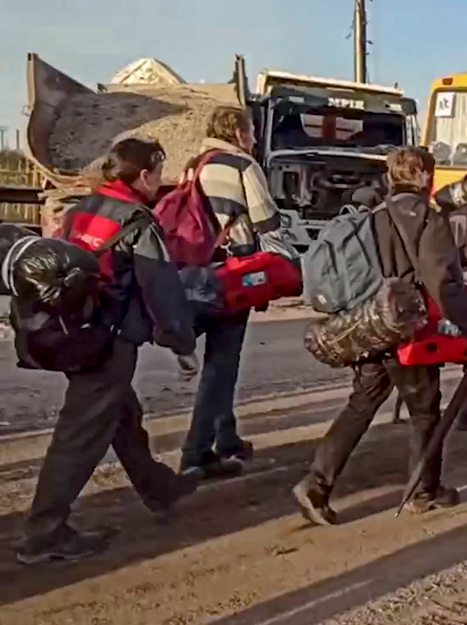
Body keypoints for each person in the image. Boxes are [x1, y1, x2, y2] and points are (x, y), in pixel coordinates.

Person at [18, 139, 199, 564]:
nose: (160, 181)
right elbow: (161, 289)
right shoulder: (137, 221)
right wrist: (182, 344)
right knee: (80, 433)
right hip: (108, 340)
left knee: (121, 414)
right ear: (143, 175)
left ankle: (159, 489)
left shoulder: (83, 208)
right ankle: (44, 532)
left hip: (75, 332)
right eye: (158, 172)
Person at [293, 147, 467, 525]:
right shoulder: (426, 219)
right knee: (425, 409)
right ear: (423, 176)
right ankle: (424, 491)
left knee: (361, 404)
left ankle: (315, 484)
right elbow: (443, 283)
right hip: (405, 327)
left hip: (368, 323)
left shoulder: (375, 215)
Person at [178, 106, 289, 479]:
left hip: (191, 271)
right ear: (239, 132)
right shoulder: (243, 165)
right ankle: (196, 453)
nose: (255, 137)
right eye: (251, 131)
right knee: (222, 365)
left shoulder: (194, 164)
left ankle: (227, 440)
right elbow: (266, 220)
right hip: (229, 275)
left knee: (217, 362)